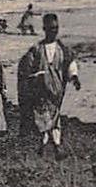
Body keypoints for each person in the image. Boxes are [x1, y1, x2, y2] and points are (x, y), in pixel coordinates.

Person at [18, 13, 80, 159]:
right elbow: (26, 67)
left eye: (56, 28)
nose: (54, 31)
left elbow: (70, 64)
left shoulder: (63, 49)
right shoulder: (37, 49)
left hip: (57, 91)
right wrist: (30, 81)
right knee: (44, 117)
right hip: (41, 90)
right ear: (45, 28)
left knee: (54, 116)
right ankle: (51, 146)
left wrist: (74, 77)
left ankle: (48, 146)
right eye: (51, 28)